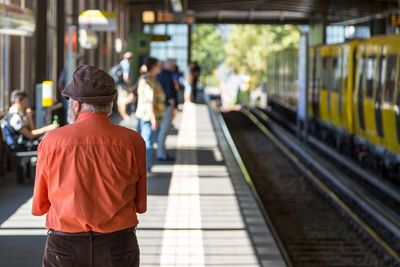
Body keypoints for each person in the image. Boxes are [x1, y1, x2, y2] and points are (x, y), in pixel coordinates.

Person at [32, 65, 147, 267]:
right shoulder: (133, 142)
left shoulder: (52, 141)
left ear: (76, 105)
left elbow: (40, 205)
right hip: (118, 246)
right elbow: (140, 204)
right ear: (110, 106)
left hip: (65, 246)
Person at [135, 58, 165, 173]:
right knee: (147, 143)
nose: (160, 66)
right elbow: (149, 101)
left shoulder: (150, 79)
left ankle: (145, 168)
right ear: (153, 66)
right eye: (158, 65)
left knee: (147, 142)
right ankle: (145, 169)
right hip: (147, 116)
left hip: (147, 115)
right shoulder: (148, 81)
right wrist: (153, 118)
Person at [156, 59, 177, 161]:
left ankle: (162, 152)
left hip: (160, 106)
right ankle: (161, 154)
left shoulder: (160, 74)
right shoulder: (166, 75)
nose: (174, 66)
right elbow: (169, 90)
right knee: (164, 130)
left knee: (162, 130)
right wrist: (172, 102)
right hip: (166, 106)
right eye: (172, 64)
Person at [116, 51, 133, 120]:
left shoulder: (121, 63)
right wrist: (130, 85)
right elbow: (126, 77)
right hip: (124, 85)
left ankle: (121, 113)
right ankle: (124, 114)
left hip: (120, 84)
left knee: (120, 100)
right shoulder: (126, 64)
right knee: (125, 99)